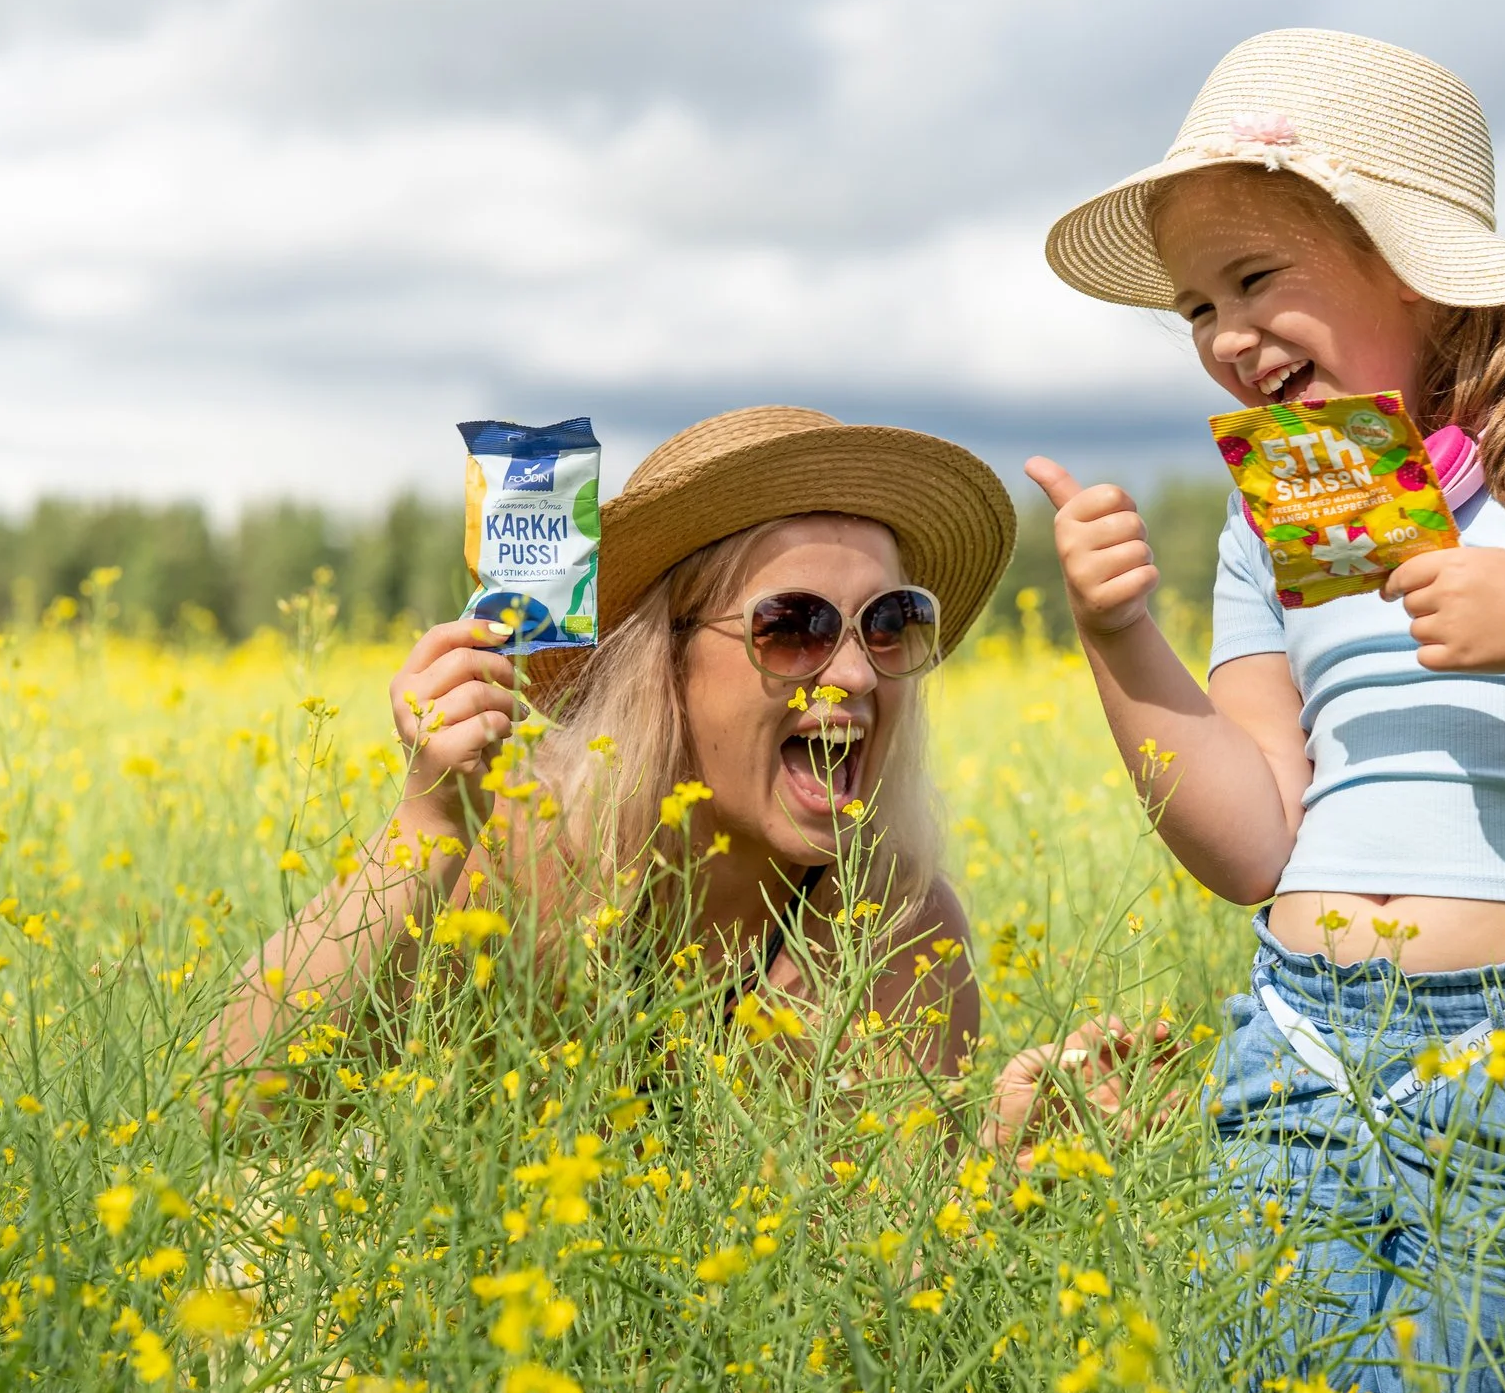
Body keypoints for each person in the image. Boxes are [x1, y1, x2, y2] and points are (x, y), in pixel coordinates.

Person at [1029, 30, 1505, 1393]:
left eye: (1256, 278)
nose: (1226, 336)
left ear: (1418, 267)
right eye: (1197, 307)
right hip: (1298, 1038)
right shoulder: (1280, 512)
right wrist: (1116, 636)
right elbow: (1255, 838)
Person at [208, 406, 1017, 1100]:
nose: (854, 670)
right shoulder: (519, 862)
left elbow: (882, 1258)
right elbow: (237, 1113)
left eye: (889, 621)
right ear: (664, 662)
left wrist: (998, 1162)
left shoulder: (899, 924)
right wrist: (428, 825)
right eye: (794, 625)